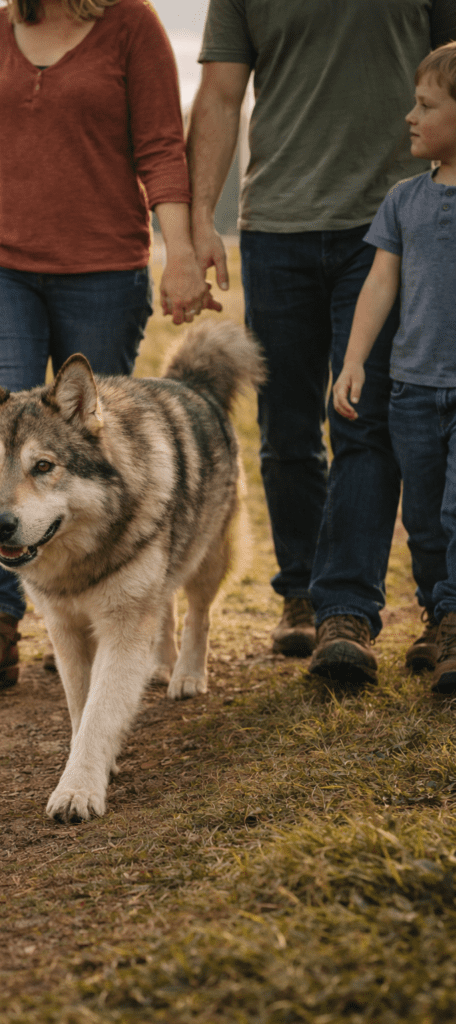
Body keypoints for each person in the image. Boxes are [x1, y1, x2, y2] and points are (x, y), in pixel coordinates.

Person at [0, 0, 215, 686]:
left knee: (88, 453)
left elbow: (159, 148)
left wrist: (178, 253)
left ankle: (113, 611)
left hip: (103, 269)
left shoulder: (130, 25)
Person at [186, 0, 456, 684]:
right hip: (277, 224)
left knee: (362, 421)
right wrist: (198, 219)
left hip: (392, 221)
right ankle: (301, 594)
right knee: (286, 432)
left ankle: (349, 612)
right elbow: (219, 95)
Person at [333, 43, 456, 693]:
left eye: (426, 105)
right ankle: (439, 620)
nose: (409, 116)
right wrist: (353, 361)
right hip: (411, 389)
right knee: (427, 522)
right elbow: (378, 286)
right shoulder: (402, 201)